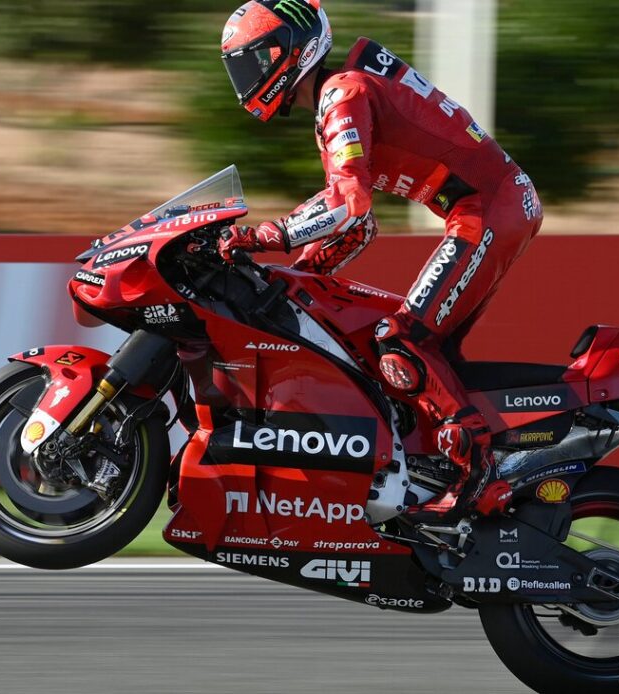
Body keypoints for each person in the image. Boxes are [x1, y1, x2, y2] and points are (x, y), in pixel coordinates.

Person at [218, 0, 543, 523]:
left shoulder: (341, 94)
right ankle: (454, 460)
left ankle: (478, 473)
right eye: (240, 65)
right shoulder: (337, 96)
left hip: (488, 209)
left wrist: (262, 237)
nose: (246, 77)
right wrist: (300, 275)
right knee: (420, 352)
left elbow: (350, 204)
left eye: (254, 60)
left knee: (402, 339)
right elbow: (359, 225)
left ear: (290, 52)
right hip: (488, 207)